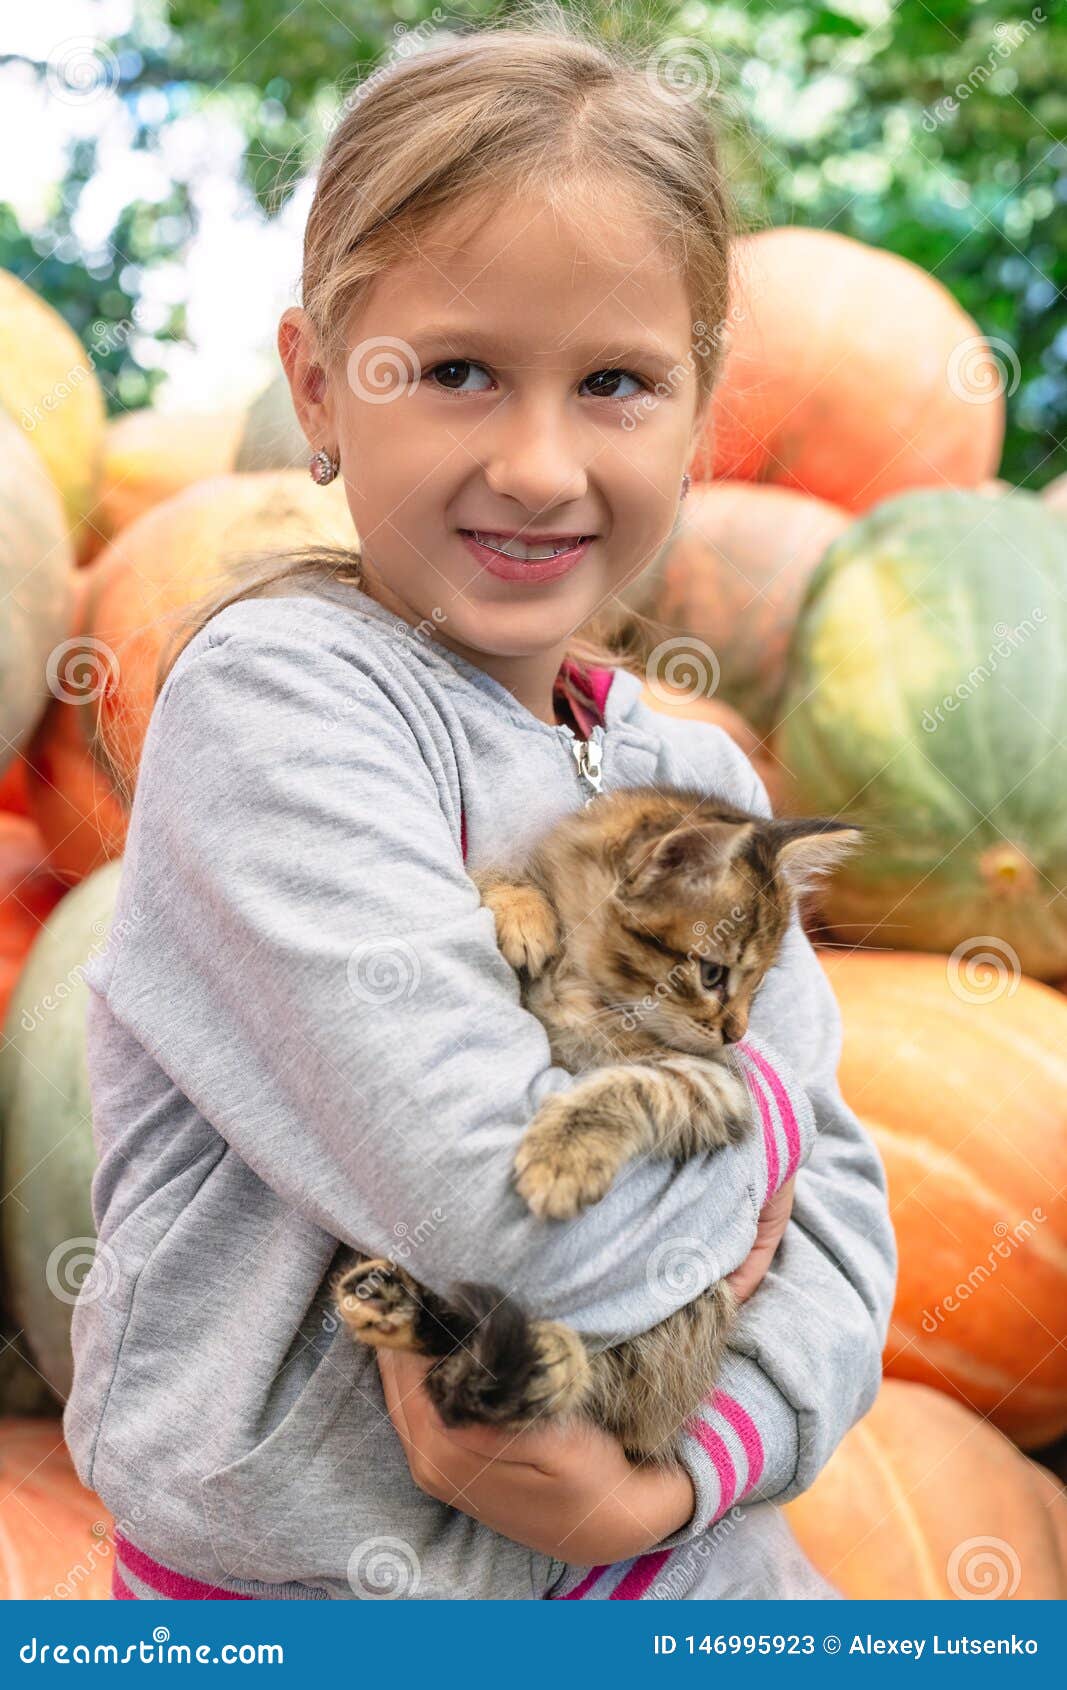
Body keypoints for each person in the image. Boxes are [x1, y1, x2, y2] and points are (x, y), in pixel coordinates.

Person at [64, 8, 896, 1602]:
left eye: (615, 383)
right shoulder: (276, 711)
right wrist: (760, 1126)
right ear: (318, 387)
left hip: (698, 1559)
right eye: (456, 370)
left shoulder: (710, 784)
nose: (535, 463)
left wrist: (667, 1485)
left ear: (701, 412)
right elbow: (508, 1216)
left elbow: (855, 1230)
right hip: (330, 1604)